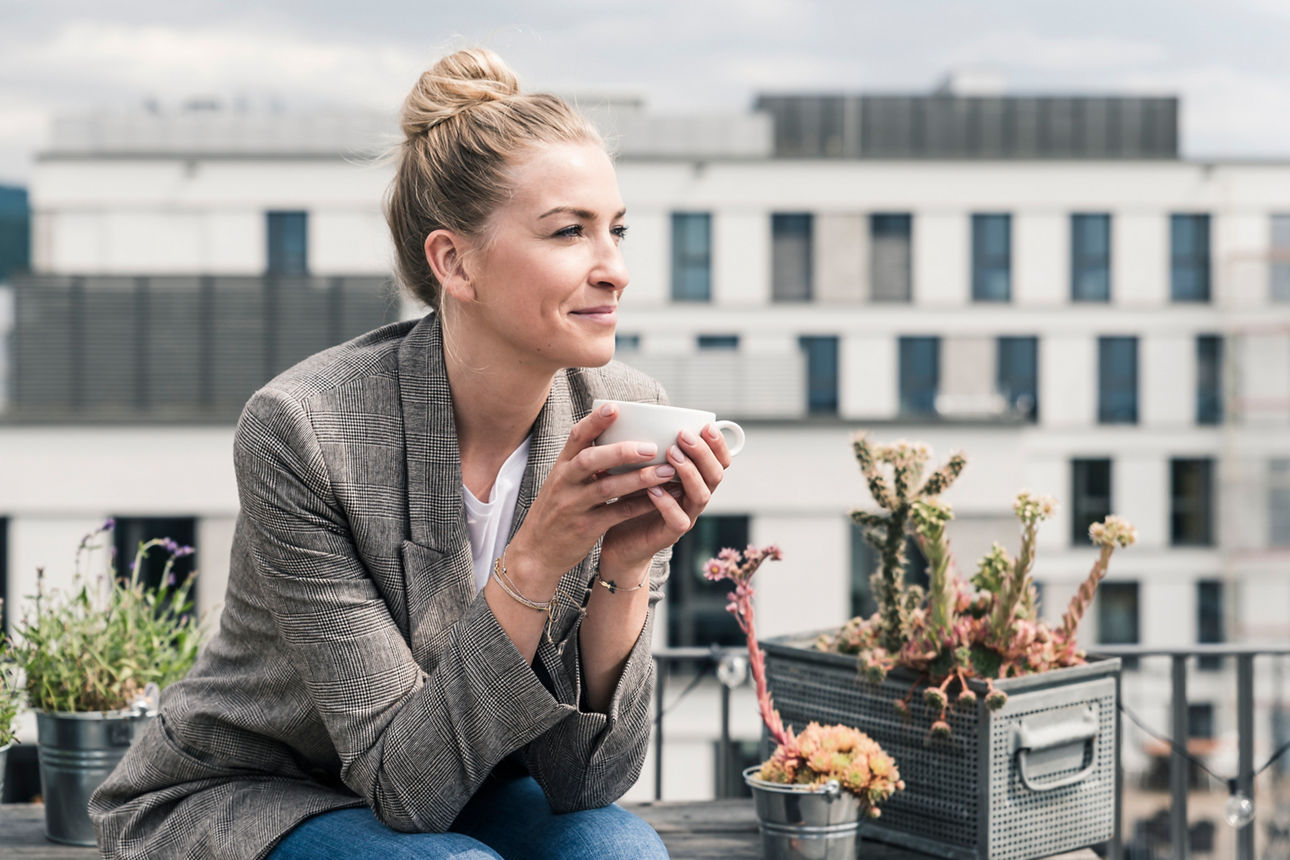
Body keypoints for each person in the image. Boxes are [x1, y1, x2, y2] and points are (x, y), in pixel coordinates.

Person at [90, 47, 733, 859]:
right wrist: (537, 558)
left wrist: (626, 567)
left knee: (618, 849)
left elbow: (588, 780)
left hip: (471, 784)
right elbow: (408, 790)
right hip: (260, 788)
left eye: (617, 230)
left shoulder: (620, 415)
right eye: (570, 232)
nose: (616, 270)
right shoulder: (305, 429)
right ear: (454, 262)